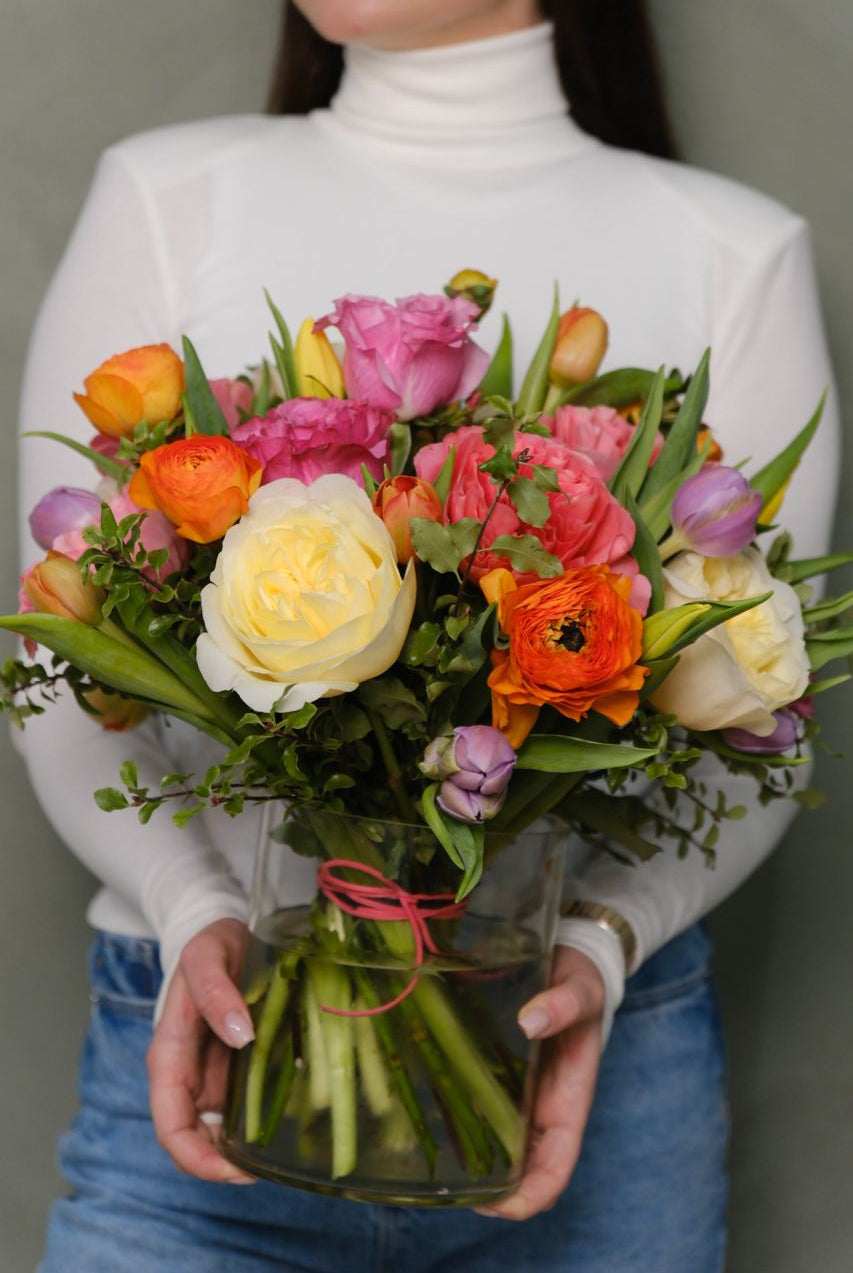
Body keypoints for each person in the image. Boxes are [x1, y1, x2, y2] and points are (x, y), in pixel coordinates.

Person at [17, 1, 839, 1270]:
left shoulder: (732, 249)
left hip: (584, 1075)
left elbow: (761, 710)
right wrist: (196, 909)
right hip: (210, 1040)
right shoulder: (169, 193)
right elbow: (63, 655)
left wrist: (599, 944)